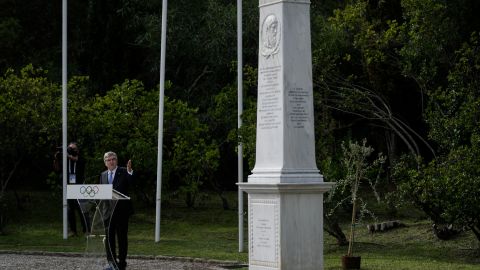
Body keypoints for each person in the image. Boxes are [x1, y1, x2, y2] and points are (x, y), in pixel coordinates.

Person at [100, 151, 134, 270]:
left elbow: (131, 183)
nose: (111, 161)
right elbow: (102, 193)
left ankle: (122, 263)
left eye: (113, 159)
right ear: (105, 163)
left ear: (116, 160)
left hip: (121, 212)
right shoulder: (103, 175)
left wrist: (130, 172)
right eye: (108, 160)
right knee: (109, 239)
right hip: (107, 213)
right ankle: (111, 263)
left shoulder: (124, 171)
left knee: (121, 238)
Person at [54, 142, 90, 236]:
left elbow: (77, 159)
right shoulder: (65, 160)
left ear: (77, 150)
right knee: (70, 210)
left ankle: (87, 230)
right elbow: (57, 169)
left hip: (79, 187)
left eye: (72, 149)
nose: (70, 150)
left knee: (82, 209)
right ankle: (73, 231)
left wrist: (68, 155)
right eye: (69, 148)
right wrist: (56, 158)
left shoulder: (80, 158)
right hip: (68, 187)